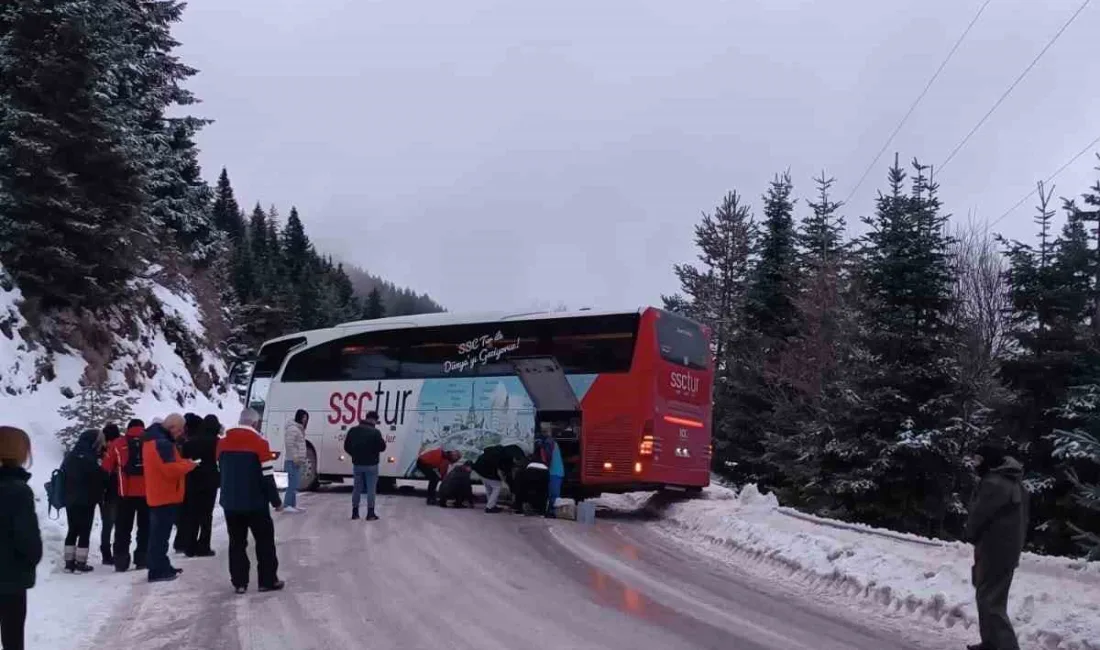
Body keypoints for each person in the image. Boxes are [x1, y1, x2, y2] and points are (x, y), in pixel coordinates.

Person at [965, 444, 1029, 650]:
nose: (975, 465)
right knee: (989, 596)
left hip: (995, 550)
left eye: (978, 460)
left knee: (991, 601)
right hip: (1004, 550)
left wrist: (970, 533)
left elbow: (979, 514)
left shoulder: (994, 483)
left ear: (988, 462)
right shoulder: (1011, 482)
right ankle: (991, 643)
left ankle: (1006, 646)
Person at [218, 408, 285, 594]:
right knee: (264, 541)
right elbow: (267, 477)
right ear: (255, 423)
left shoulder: (222, 443)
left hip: (230, 504)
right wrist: (276, 502)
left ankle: (239, 582)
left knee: (237, 542)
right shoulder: (260, 443)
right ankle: (267, 580)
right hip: (256, 504)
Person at [0, 426, 43, 650]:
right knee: (12, 635)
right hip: (9, 575)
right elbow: (27, 539)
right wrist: (31, 559)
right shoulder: (17, 490)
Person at [143, 414, 197, 583]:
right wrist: (189, 465)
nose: (180, 433)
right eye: (180, 430)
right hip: (164, 495)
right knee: (160, 537)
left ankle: (162, 565)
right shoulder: (162, 444)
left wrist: (183, 462)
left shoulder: (154, 440)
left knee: (159, 536)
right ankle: (157, 570)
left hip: (160, 493)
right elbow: (170, 469)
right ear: (172, 426)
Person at [102, 418, 149, 572]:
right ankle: (142, 558)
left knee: (123, 528)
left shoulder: (118, 443)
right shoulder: (150, 442)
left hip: (125, 492)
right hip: (148, 492)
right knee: (145, 527)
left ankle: (121, 561)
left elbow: (106, 466)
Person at [61, 429, 107, 573]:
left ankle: (69, 563)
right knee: (84, 530)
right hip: (87, 500)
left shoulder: (70, 456)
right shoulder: (90, 458)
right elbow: (100, 479)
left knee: (72, 529)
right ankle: (81, 563)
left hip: (70, 499)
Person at [178, 414, 221, 557]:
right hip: (210, 481)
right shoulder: (217, 442)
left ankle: (189, 546)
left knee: (192, 513)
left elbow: (183, 462)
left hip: (192, 480)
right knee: (206, 515)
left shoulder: (189, 443)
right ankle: (204, 546)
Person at [343, 411, 386, 521]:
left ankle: (355, 513)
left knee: (357, 488)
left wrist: (355, 455)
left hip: (357, 464)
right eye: (376, 421)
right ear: (373, 420)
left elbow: (346, 446)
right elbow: (382, 447)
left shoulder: (353, 430)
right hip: (372, 465)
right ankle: (370, 513)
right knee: (371, 489)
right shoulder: (375, 432)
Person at [173, 413, 204, 554]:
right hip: (189, 479)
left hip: (180, 480)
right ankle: (184, 542)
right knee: (189, 512)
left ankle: (180, 541)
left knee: (182, 511)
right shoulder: (190, 442)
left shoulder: (178, 441)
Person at [98, 423, 121, 566]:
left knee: (108, 524)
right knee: (118, 524)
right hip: (120, 490)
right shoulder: (121, 447)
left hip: (106, 492)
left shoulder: (101, 450)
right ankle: (117, 552)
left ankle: (107, 553)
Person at [472, 445, 517, 514]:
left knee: (489, 488)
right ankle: (489, 507)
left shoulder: (492, 451)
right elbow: (503, 468)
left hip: (478, 469)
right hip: (486, 472)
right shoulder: (501, 455)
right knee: (497, 487)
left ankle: (491, 505)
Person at [283, 409, 309, 513]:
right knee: (292, 483)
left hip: (296, 461)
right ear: (299, 417)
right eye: (304, 418)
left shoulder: (298, 429)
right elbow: (290, 444)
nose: (305, 420)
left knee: (295, 483)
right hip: (292, 461)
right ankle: (287, 505)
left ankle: (292, 505)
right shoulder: (293, 429)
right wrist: (295, 458)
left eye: (306, 418)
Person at [535, 432, 565, 518]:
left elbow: (547, 458)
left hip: (554, 472)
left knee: (553, 494)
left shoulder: (548, 443)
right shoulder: (550, 442)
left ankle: (553, 512)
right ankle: (550, 511)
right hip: (554, 472)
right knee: (551, 493)